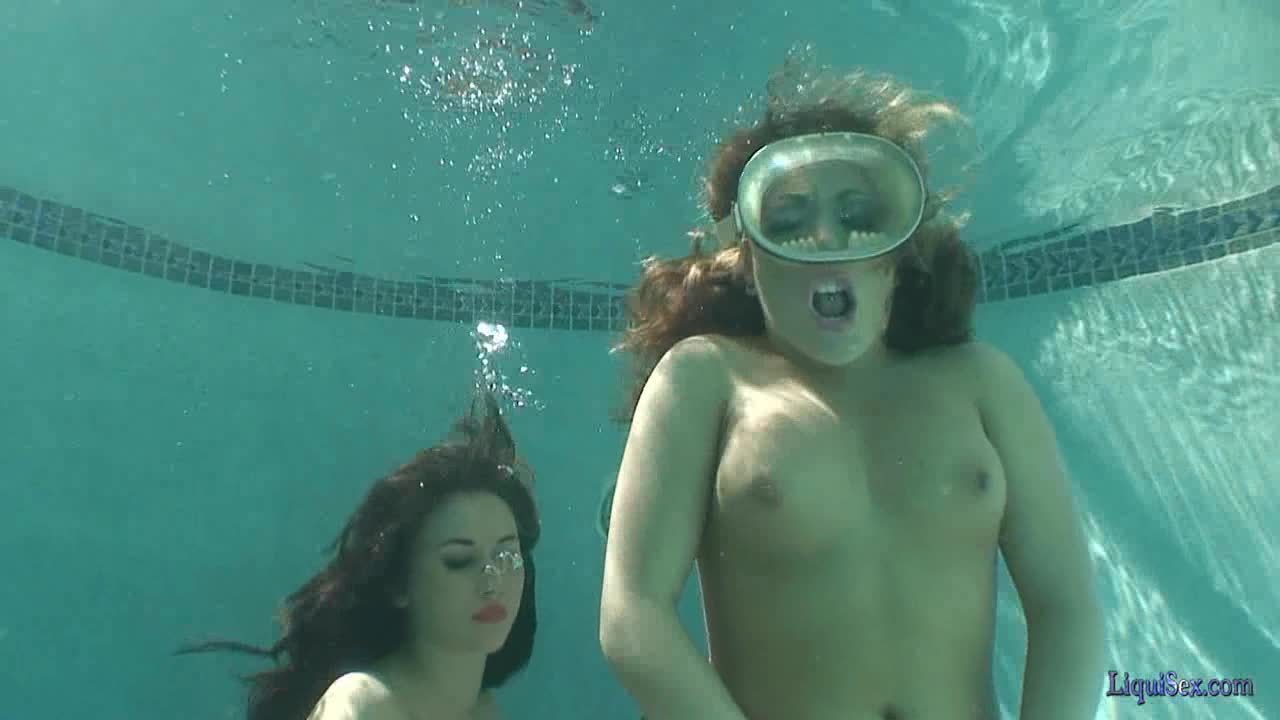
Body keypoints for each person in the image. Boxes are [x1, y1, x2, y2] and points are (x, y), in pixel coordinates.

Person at [598, 60, 1104, 720]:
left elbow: (1067, 607)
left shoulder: (982, 382)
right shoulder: (705, 377)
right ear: (744, 257)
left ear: (900, 251)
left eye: (860, 216)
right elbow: (631, 613)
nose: (826, 240)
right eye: (788, 219)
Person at [179, 392, 539, 720]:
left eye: (507, 556)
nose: (492, 582)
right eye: (459, 561)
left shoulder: (482, 710)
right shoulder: (361, 705)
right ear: (399, 583)